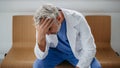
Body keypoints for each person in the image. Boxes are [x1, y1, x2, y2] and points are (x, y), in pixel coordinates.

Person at [33, 4, 101, 68]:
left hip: (76, 52)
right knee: (38, 65)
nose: (47, 33)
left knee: (96, 66)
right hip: (54, 52)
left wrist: (80, 66)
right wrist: (40, 36)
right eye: (45, 31)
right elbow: (40, 56)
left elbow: (90, 49)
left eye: (50, 29)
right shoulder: (42, 23)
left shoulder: (78, 18)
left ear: (59, 19)